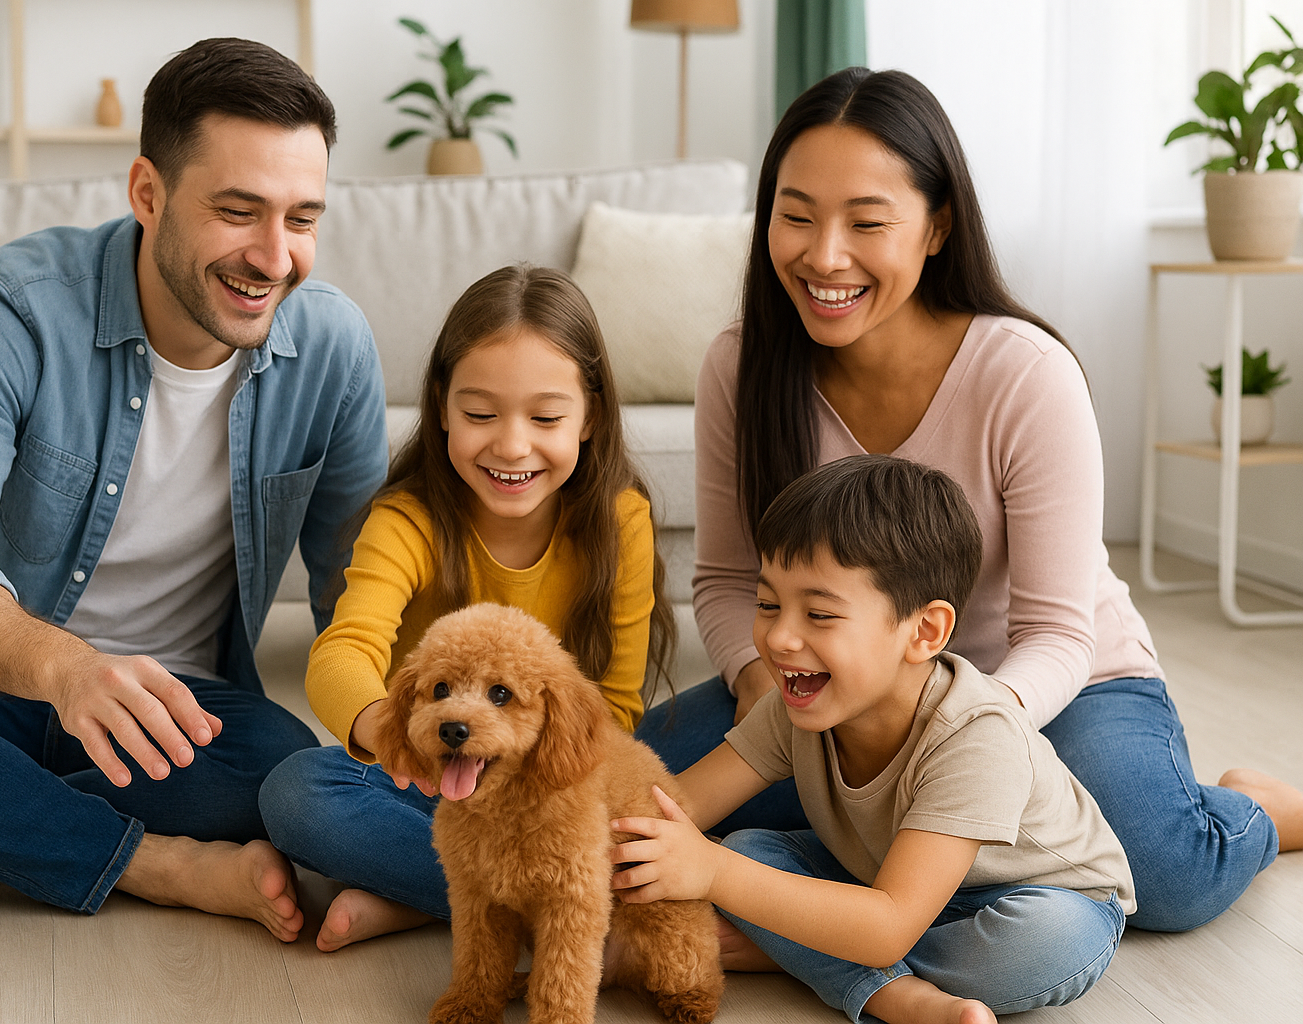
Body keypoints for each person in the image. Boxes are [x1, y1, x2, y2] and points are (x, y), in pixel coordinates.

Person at [635, 66, 1303, 934]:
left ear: (937, 225)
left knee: (1164, 877)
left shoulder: (1025, 374)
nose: (823, 255)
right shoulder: (741, 365)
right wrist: (777, 692)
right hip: (834, 676)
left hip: (1045, 687)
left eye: (867, 223)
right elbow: (726, 579)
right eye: (795, 216)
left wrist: (948, 735)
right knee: (634, 799)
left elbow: (1059, 633)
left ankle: (1259, 809)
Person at [0, 38, 388, 941]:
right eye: (238, 211)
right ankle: (152, 863)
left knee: (285, 765)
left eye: (302, 218)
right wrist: (66, 669)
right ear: (148, 192)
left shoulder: (332, 347)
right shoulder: (8, 307)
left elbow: (361, 584)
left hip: (176, 718)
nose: (274, 257)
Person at [614, 454, 1134, 1024]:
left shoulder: (977, 736)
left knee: (1033, 948)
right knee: (747, 851)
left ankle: (854, 975)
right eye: (767, 604)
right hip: (880, 883)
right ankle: (841, 949)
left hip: (1033, 896)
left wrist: (712, 874)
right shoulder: (793, 707)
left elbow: (888, 925)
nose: (780, 636)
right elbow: (673, 809)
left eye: (818, 613)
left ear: (924, 631)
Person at [260, 264, 675, 950]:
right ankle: (547, 908)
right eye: (480, 415)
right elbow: (342, 652)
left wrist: (549, 787)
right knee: (298, 794)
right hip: (438, 779)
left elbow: (618, 712)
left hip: (561, 779)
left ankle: (429, 903)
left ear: (591, 416)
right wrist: (388, 733)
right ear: (443, 408)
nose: (512, 445)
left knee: (732, 729)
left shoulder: (619, 518)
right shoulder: (408, 518)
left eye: (546, 417)